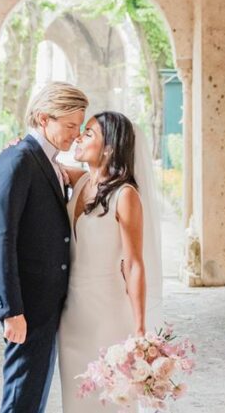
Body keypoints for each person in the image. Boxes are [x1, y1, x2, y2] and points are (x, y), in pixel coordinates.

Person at [0, 82, 89, 413]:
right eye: (70, 126)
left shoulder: (50, 161)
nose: (76, 134)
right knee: (21, 393)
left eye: (80, 127)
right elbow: (0, 239)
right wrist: (11, 310)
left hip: (46, 299)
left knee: (34, 391)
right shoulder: (17, 160)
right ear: (44, 119)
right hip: (25, 301)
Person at [57, 111, 164, 413]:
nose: (78, 136)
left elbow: (134, 264)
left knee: (110, 400)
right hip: (72, 316)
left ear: (108, 148)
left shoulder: (126, 195)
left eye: (88, 133)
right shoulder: (80, 184)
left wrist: (141, 330)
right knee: (76, 401)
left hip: (109, 316)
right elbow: (43, 162)